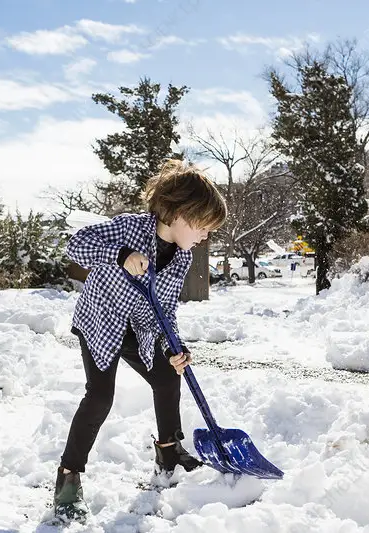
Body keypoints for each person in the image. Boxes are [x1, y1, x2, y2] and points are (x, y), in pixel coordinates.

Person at [53, 159, 228, 522]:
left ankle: (168, 452)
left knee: (167, 376)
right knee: (100, 395)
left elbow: (165, 310)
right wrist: (121, 256)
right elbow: (77, 244)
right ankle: (69, 477)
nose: (206, 236)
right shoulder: (130, 228)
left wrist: (173, 347)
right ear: (180, 213)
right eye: (204, 226)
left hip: (140, 328)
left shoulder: (181, 258)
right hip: (101, 321)